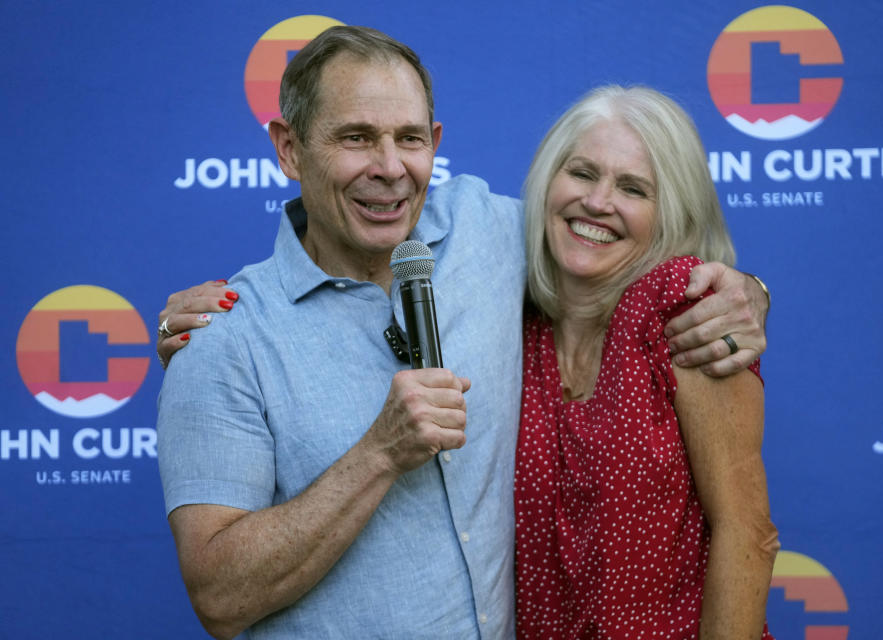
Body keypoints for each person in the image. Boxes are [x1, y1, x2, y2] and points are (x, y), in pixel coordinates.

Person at [156, 25, 770, 639]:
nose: (390, 168)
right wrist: (380, 453)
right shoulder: (224, 338)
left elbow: (610, 241)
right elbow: (219, 597)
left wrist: (747, 290)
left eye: (409, 139)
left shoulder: (498, 235)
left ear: (435, 143)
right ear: (289, 150)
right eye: (357, 138)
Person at [513, 85, 778, 638]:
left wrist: (754, 288)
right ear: (547, 181)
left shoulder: (682, 313)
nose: (598, 201)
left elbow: (746, 531)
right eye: (583, 173)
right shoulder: (511, 321)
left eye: (633, 188)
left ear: (672, 213)